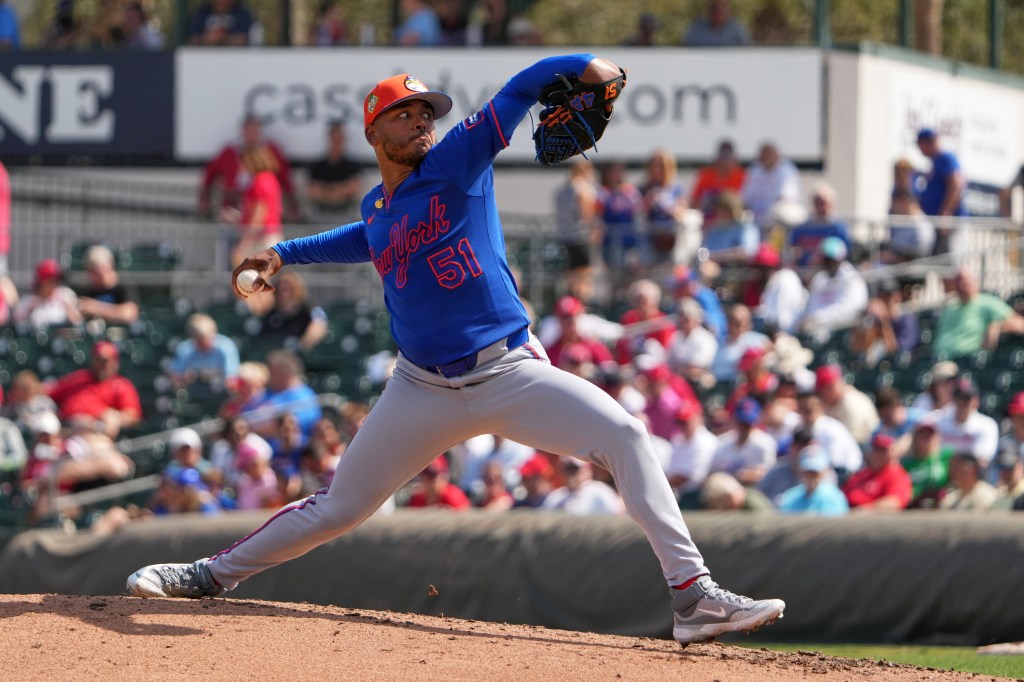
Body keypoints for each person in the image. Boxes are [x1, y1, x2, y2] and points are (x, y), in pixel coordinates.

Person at [127, 55, 785, 646]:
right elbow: (369, 236)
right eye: (404, 113)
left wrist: (586, 65)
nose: (421, 122)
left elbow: (524, 86)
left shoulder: (455, 161)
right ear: (373, 133)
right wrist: (284, 252)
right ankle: (210, 575)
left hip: (508, 373)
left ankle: (693, 597)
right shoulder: (379, 205)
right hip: (421, 389)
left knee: (626, 433)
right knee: (340, 508)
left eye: (426, 112)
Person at [198, 115, 297, 223]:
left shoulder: (263, 181)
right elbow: (210, 173)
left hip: (259, 213)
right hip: (233, 206)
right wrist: (205, 199)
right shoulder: (229, 151)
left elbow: (284, 178)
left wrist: (292, 204)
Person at [48, 341, 142, 439]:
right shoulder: (79, 378)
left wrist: (107, 416)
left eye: (105, 361)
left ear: (115, 363)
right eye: (97, 360)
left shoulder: (121, 385)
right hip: (63, 429)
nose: (101, 365)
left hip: (95, 434)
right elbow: (49, 391)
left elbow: (132, 416)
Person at [933, 268, 1024, 360]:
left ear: (975, 283)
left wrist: (998, 325)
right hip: (938, 359)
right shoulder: (950, 307)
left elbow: (1020, 324)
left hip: (967, 360)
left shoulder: (988, 302)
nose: (961, 286)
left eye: (964, 282)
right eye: (958, 282)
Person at [798, 237, 868, 337]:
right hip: (817, 331)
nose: (825, 262)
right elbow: (811, 305)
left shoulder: (852, 279)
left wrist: (818, 318)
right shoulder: (820, 278)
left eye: (828, 259)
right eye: (824, 259)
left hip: (842, 332)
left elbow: (852, 309)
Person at [552, 159, 599, 300]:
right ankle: (582, 302)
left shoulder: (562, 191)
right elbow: (586, 214)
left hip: (565, 236)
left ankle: (572, 300)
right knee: (585, 273)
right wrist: (594, 229)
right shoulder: (583, 189)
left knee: (571, 273)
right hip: (581, 236)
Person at [915, 128, 965, 254]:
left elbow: (956, 184)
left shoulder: (945, 158)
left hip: (947, 223)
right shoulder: (936, 161)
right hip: (938, 223)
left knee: (950, 267)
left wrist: (946, 212)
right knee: (940, 264)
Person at [848, 278, 919, 366]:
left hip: (901, 367)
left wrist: (884, 322)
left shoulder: (907, 319)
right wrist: (864, 316)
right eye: (882, 295)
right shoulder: (873, 318)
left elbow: (895, 353)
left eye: (889, 295)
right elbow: (856, 348)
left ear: (898, 296)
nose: (886, 299)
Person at [934, 377, 999, 471]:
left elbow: (981, 462)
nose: (962, 403)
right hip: (942, 476)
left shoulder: (987, 425)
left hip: (971, 478)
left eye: (967, 399)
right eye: (959, 398)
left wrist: (949, 456)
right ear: (953, 400)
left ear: (976, 401)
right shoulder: (938, 420)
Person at [709, 397, 777, 487]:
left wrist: (736, 476)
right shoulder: (723, 442)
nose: (744, 427)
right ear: (734, 420)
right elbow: (711, 472)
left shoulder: (765, 443)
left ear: (756, 421)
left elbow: (767, 475)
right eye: (742, 423)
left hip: (754, 490)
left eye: (747, 424)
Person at [257, 271, 329, 352]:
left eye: (287, 288)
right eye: (279, 288)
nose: (283, 292)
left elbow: (319, 326)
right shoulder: (271, 314)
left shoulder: (309, 308)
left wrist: (301, 347)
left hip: (299, 353)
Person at [306, 122, 363, 224]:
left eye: (339, 139)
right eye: (334, 139)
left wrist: (327, 190)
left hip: (345, 214)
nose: (337, 142)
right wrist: (340, 189)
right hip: (321, 214)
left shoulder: (352, 165)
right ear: (329, 139)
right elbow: (312, 191)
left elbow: (353, 188)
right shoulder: (317, 166)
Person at [841, 433, 913, 511]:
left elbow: (894, 502)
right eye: (876, 450)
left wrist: (864, 509)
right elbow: (845, 492)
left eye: (883, 451)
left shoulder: (897, 475)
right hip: (844, 511)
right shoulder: (863, 473)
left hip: (868, 518)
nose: (879, 454)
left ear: (893, 452)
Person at [639, 149, 688, 264]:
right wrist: (648, 201)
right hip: (650, 239)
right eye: (653, 165)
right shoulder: (643, 188)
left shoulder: (677, 188)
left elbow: (683, 214)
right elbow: (638, 214)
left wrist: (669, 207)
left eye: (660, 165)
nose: (656, 169)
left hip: (672, 239)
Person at [745, 244, 805, 335]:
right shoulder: (772, 282)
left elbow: (781, 321)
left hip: (788, 333)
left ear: (769, 268)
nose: (757, 272)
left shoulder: (784, 278)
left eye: (760, 268)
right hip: (779, 331)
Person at [814, 364, 879, 446]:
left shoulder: (851, 403)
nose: (823, 394)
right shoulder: (831, 401)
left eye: (828, 388)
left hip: (866, 446)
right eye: (820, 391)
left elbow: (854, 440)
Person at [788, 183, 850, 268]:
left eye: (824, 203)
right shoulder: (803, 227)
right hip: (804, 272)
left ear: (832, 203)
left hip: (828, 273)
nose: (822, 207)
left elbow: (843, 254)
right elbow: (793, 248)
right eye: (818, 203)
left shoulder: (838, 228)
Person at [169, 313, 241, 387]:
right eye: (199, 340)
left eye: (208, 338)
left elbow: (233, 379)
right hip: (192, 392)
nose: (204, 343)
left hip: (221, 391)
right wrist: (185, 377)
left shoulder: (226, 347)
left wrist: (213, 376)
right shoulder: (185, 349)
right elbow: (174, 377)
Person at [75, 245, 140, 327]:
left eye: (99, 270)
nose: (95, 275)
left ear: (110, 267)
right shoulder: (86, 291)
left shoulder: (123, 288)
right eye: (92, 271)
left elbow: (129, 314)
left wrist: (94, 308)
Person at [741, 142, 800, 230]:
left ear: (777, 156)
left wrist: (768, 214)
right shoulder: (754, 171)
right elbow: (746, 197)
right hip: (756, 218)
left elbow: (785, 198)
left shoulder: (787, 170)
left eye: (769, 155)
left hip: (779, 219)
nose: (767, 159)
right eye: (764, 156)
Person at [777, 445, 849, 516]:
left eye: (815, 473)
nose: (811, 476)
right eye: (808, 472)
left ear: (823, 472)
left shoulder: (834, 497)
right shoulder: (790, 496)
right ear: (800, 471)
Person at [14, 259, 83, 330]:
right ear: (42, 282)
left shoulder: (65, 294)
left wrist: (68, 308)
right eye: (52, 280)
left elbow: (78, 322)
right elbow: (16, 323)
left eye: (57, 280)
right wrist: (30, 310)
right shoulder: (29, 299)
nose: (55, 283)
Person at [542, 457, 624, 515]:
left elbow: (617, 515)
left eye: (574, 469)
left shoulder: (599, 490)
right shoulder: (556, 496)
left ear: (587, 470)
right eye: (567, 469)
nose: (570, 474)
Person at [690, 139, 745, 223]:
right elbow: (694, 203)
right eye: (723, 156)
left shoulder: (742, 176)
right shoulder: (705, 174)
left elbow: (744, 203)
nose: (725, 161)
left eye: (728, 157)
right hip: (709, 222)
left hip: (733, 223)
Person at [900, 419, 952, 508]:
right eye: (923, 436)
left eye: (930, 435)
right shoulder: (906, 465)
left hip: (941, 503)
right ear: (915, 439)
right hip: (913, 505)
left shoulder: (946, 457)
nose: (928, 439)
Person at [682, 0, 750, 47]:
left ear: (729, 10)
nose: (719, 9)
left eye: (723, 6)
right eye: (714, 6)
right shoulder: (696, 27)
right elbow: (686, 47)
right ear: (708, 9)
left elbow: (746, 50)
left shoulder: (736, 28)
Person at [188, 0, 253, 46]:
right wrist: (206, 40)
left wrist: (223, 39)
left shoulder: (242, 14)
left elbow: (244, 39)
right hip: (205, 58)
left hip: (234, 58)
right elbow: (193, 39)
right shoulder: (202, 13)